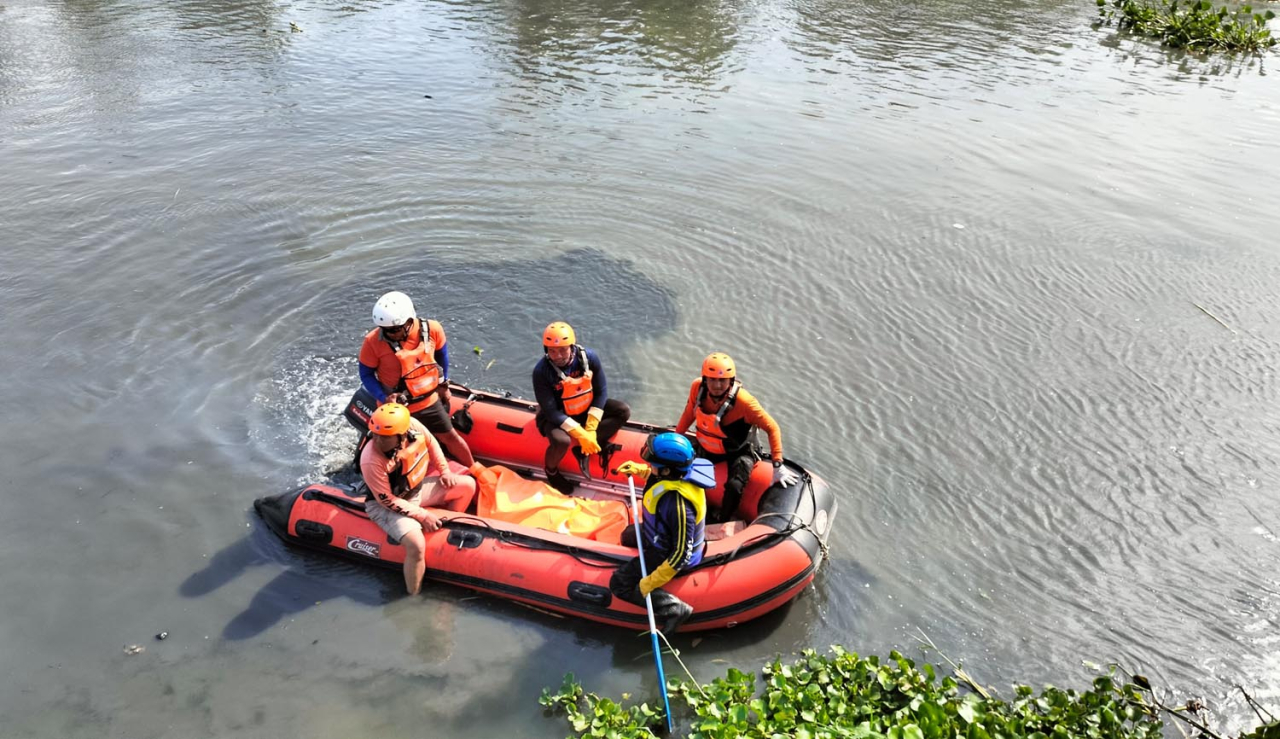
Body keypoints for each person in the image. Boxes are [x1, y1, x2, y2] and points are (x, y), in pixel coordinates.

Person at [360, 403, 477, 595]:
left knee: (467, 486)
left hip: (415, 490)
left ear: (402, 434)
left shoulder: (412, 425)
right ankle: (413, 596)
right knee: (416, 545)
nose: (379, 440)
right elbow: (386, 500)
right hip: (387, 506)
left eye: (386, 437)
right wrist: (423, 516)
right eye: (377, 434)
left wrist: (444, 471)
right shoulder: (371, 459)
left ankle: (445, 540)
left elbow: (432, 444)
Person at [674, 352, 799, 524]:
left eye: (722, 380)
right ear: (704, 379)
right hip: (707, 446)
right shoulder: (697, 388)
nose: (717, 385)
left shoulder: (745, 403)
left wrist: (777, 464)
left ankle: (722, 520)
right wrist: (676, 439)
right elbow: (689, 413)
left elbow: (772, 427)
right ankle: (680, 506)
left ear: (731, 381)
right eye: (712, 379)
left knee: (735, 486)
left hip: (738, 451)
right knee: (675, 467)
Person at [611, 432, 713, 635]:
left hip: (667, 552)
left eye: (652, 463)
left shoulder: (679, 506)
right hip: (659, 534)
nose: (649, 465)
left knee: (619, 584)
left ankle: (674, 608)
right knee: (628, 535)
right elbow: (658, 479)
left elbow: (681, 554)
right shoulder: (677, 473)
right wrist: (640, 470)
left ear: (666, 470)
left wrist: (649, 583)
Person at [358, 291, 474, 467]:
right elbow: (365, 374)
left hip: (428, 401)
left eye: (396, 329)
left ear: (410, 320)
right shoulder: (373, 341)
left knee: (451, 438)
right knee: (389, 452)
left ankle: (475, 471)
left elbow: (442, 358)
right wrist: (384, 398)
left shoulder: (433, 329)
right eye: (386, 330)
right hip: (394, 408)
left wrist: (444, 383)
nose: (391, 334)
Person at [531, 321, 630, 493]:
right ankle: (551, 471)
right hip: (557, 416)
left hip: (585, 407)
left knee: (623, 411)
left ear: (572, 346)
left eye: (563, 349)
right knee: (561, 441)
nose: (558, 356)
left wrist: (590, 429)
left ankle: (585, 449)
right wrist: (579, 433)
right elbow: (551, 411)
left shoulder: (589, 358)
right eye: (552, 351)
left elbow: (601, 392)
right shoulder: (541, 372)